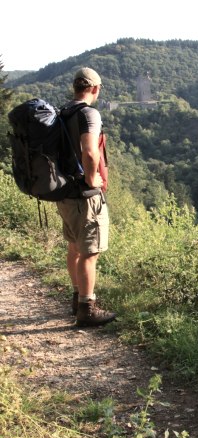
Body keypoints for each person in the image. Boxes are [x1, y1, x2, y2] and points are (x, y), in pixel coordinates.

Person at [56, 67, 116, 327]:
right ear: (95, 89)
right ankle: (87, 309)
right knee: (90, 253)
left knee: (74, 248)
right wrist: (93, 179)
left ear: (74, 87)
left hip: (65, 193)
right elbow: (90, 152)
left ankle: (77, 298)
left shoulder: (62, 112)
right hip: (84, 196)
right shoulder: (89, 113)